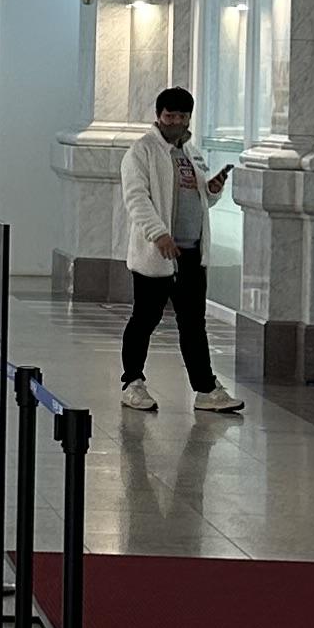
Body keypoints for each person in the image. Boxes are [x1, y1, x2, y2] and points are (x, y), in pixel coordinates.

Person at [117, 85, 243, 415]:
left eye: (182, 116)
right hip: (158, 254)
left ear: (189, 118)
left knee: (193, 324)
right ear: (159, 116)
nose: (175, 122)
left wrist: (212, 190)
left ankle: (205, 389)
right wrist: (158, 234)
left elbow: (199, 199)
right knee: (145, 318)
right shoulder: (141, 152)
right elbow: (136, 198)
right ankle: (132, 382)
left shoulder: (192, 153)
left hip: (191, 253)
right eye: (169, 115)